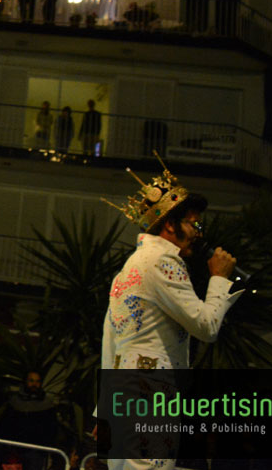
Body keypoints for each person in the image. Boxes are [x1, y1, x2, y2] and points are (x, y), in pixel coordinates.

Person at [99, 164, 241, 470]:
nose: (197, 234)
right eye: (193, 225)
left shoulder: (129, 267)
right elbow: (207, 326)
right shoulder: (164, 260)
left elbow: (110, 340)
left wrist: (104, 411)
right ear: (169, 226)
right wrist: (219, 279)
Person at [1, 370, 60, 470]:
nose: (34, 384)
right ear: (25, 382)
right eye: (31, 381)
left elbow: (52, 428)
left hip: (38, 452)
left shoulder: (47, 404)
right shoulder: (15, 402)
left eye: (37, 381)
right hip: (16, 450)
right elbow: (6, 425)